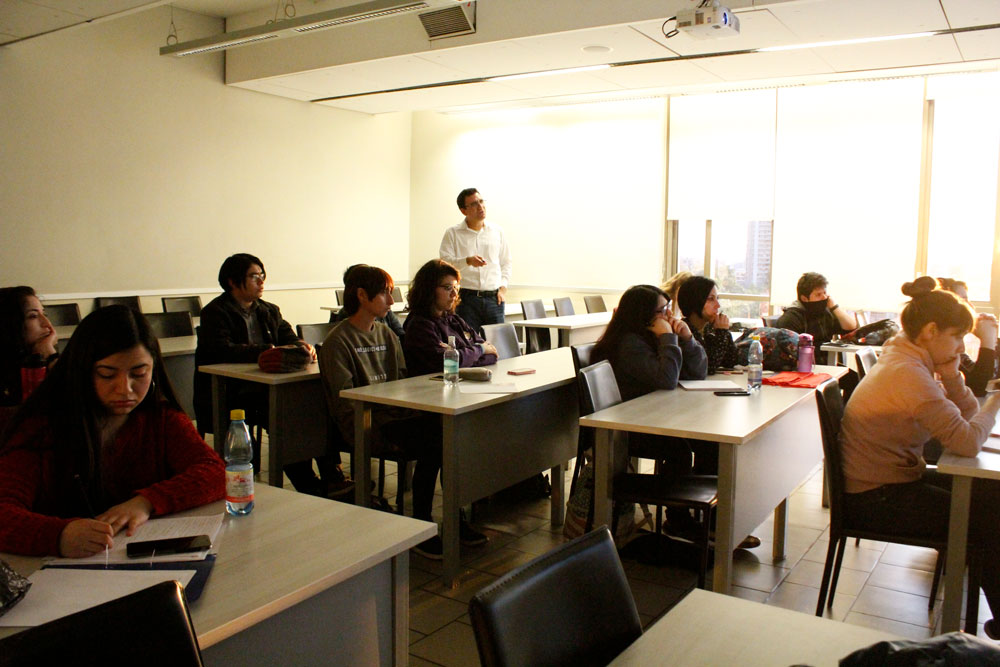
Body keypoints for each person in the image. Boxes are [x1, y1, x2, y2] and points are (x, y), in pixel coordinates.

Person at [840, 276, 1000, 639]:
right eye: (957, 337)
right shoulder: (908, 373)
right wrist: (996, 400)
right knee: (986, 516)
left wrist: (953, 375)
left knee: (990, 495)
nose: (961, 345)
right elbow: (967, 441)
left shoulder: (906, 355)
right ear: (930, 331)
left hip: (889, 481)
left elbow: (967, 418)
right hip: (874, 498)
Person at [0, 305, 225, 557]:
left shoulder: (161, 419)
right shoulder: (41, 428)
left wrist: (146, 502)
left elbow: (215, 472)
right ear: (82, 371)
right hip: (54, 570)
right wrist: (58, 535)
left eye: (139, 373)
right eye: (107, 375)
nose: (125, 389)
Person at [318, 265, 487, 560]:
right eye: (385, 293)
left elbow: (403, 381)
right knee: (436, 440)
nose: (391, 301)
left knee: (448, 432)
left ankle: (453, 519)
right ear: (362, 295)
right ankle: (421, 523)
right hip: (367, 422)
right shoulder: (338, 341)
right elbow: (345, 403)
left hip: (395, 415)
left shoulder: (386, 334)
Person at [193, 253, 335, 497]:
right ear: (232, 281)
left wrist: (302, 346)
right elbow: (221, 350)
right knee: (285, 412)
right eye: (254, 277)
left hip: (266, 387)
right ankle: (308, 482)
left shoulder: (268, 310)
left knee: (313, 404)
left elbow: (289, 337)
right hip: (232, 392)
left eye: (262, 276)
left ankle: (332, 476)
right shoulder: (215, 312)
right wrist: (267, 351)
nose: (261, 282)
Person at [402, 259, 498, 376]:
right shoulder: (419, 325)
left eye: (456, 288)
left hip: (459, 383)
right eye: (448, 288)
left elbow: (492, 354)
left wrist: (462, 356)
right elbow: (446, 363)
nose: (454, 294)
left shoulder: (454, 320)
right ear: (429, 289)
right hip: (431, 385)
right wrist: (480, 350)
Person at [439, 188, 512, 335]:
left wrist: (503, 288)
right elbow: (445, 264)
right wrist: (467, 261)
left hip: (494, 298)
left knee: (497, 342)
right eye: (474, 204)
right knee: (466, 341)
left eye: (481, 201)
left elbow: (506, 262)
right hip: (466, 298)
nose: (480, 207)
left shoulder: (497, 231)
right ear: (463, 210)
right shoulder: (453, 233)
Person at [777, 272, 859, 362]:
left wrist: (834, 307)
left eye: (825, 293)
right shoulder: (791, 318)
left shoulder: (825, 311)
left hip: (828, 362)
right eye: (818, 295)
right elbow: (789, 352)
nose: (824, 297)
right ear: (804, 298)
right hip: (807, 365)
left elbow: (851, 327)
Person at [938, 277, 998, 396]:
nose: (971, 306)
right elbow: (978, 388)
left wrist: (993, 339)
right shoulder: (940, 348)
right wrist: (987, 342)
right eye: (963, 301)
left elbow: (992, 380)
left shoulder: (956, 348)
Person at [0, 286, 58, 407]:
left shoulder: (39, 359)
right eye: (33, 316)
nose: (47, 323)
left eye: (44, 314)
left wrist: (49, 354)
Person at [676, 276, 738, 373]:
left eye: (717, 298)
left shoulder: (709, 329)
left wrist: (725, 331)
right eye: (711, 299)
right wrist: (722, 332)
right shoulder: (684, 331)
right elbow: (708, 366)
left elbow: (731, 361)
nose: (718, 305)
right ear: (694, 301)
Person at [333, 264, 406, 341]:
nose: (391, 301)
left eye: (390, 292)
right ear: (361, 294)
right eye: (383, 292)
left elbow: (401, 335)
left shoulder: (386, 332)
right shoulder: (340, 339)